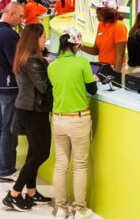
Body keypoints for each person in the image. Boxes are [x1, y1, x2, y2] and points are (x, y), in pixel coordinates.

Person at [48, 27, 98, 219]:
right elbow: (92, 90)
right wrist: (93, 79)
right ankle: (80, 210)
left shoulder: (52, 66)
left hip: (58, 119)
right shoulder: (82, 63)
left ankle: (61, 208)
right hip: (78, 119)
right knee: (80, 166)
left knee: (61, 165)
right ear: (76, 45)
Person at [2, 24, 53, 211]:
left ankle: (31, 192)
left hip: (27, 109)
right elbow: (44, 87)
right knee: (41, 153)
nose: (45, 40)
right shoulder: (33, 61)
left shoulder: (25, 57)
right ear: (35, 39)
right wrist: (51, 69)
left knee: (33, 152)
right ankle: (14, 193)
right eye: (43, 37)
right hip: (34, 110)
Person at [0, 2, 24, 182]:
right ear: (11, 13)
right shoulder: (8, 34)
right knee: (8, 130)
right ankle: (6, 170)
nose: (21, 19)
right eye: (20, 16)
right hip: (8, 87)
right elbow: (16, 62)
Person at [81, 0, 126, 84]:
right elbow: (96, 50)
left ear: (106, 12)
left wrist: (115, 76)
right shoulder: (100, 25)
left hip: (113, 69)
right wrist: (80, 46)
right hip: (102, 68)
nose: (96, 13)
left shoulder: (119, 26)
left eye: (98, 10)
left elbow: (119, 55)